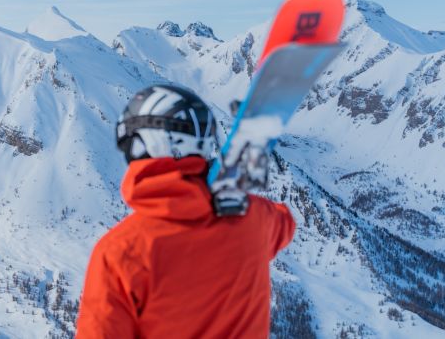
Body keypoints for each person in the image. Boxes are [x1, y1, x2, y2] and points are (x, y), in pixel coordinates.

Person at [76, 83, 295, 338]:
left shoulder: (120, 253)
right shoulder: (251, 218)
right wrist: (230, 192)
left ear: (155, 143)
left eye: (131, 144)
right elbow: (285, 222)